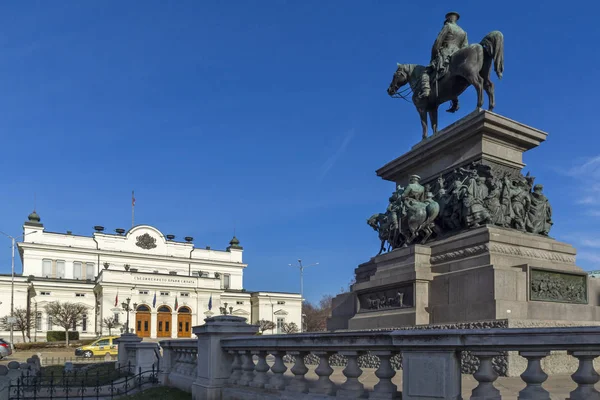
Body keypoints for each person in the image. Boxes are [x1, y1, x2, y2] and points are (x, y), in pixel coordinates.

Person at [419, 12, 469, 112]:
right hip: (457, 55)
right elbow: (465, 48)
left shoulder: (447, 26)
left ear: (449, 19)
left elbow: (438, 42)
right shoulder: (463, 32)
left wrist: (433, 58)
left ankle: (426, 92)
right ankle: (455, 101)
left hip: (445, 53)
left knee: (425, 72)